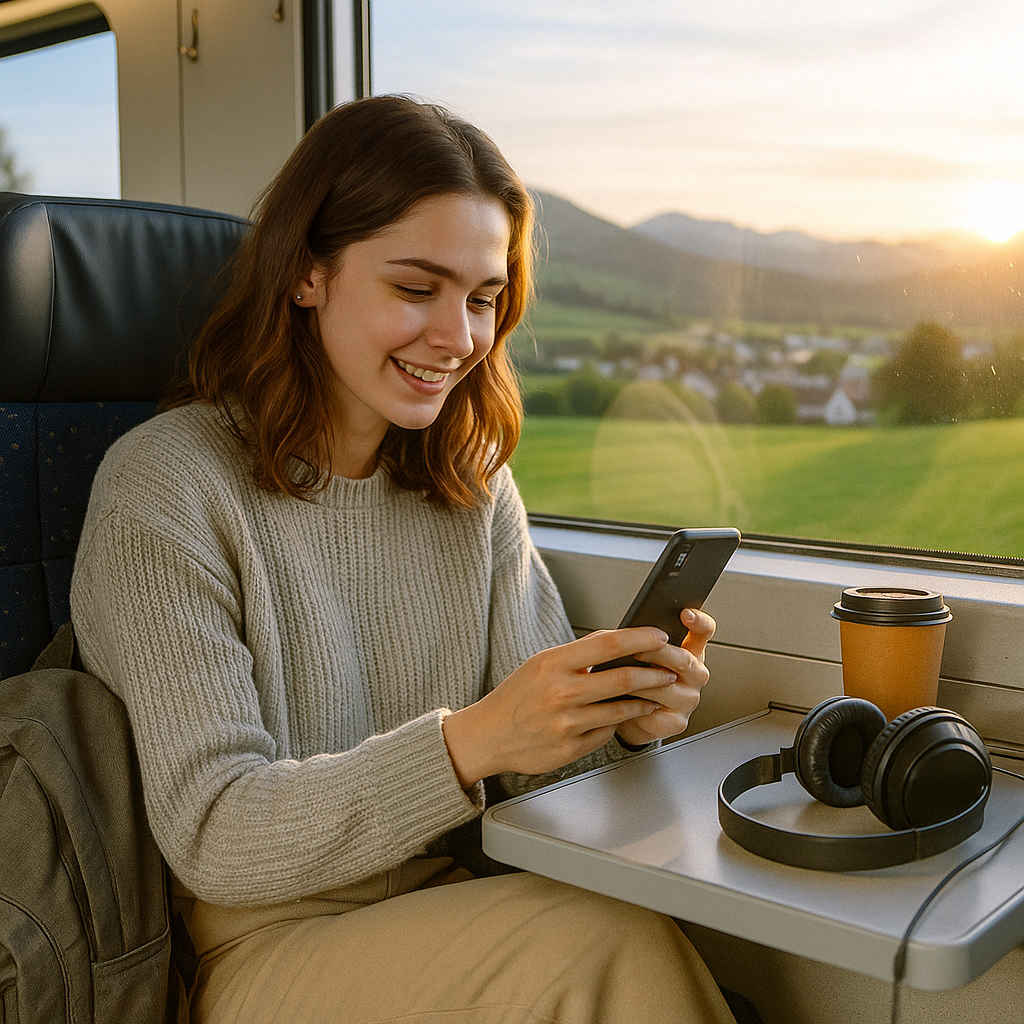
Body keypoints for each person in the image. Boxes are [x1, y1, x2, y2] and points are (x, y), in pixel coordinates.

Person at [70, 95, 736, 1024]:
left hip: (451, 900)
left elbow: (542, 785)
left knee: (639, 922)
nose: (458, 337)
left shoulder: (470, 488)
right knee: (603, 944)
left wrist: (616, 721)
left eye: (482, 298)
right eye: (417, 290)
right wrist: (474, 740)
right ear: (308, 274)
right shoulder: (168, 487)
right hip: (256, 947)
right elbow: (216, 835)